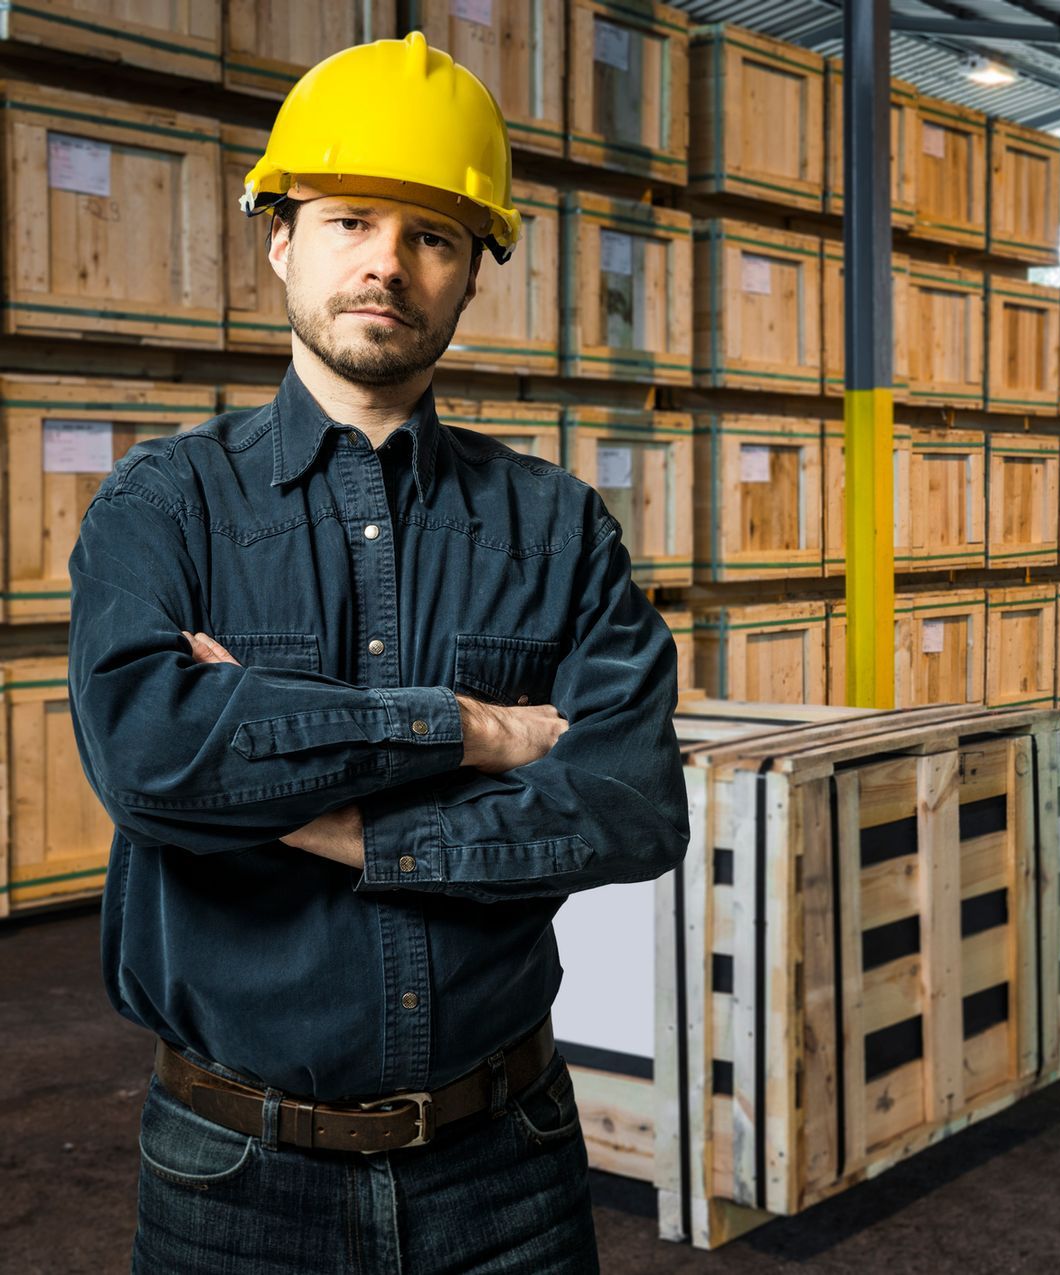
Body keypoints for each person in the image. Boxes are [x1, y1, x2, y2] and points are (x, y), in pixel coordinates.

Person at [65, 32, 689, 1274]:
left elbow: (631, 806)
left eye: (433, 237)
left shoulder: (556, 525)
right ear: (281, 240)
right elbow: (151, 756)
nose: (386, 265)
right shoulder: (164, 505)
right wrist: (466, 730)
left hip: (505, 1164)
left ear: (471, 276)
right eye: (351, 220)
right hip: (233, 1175)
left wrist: (347, 824)